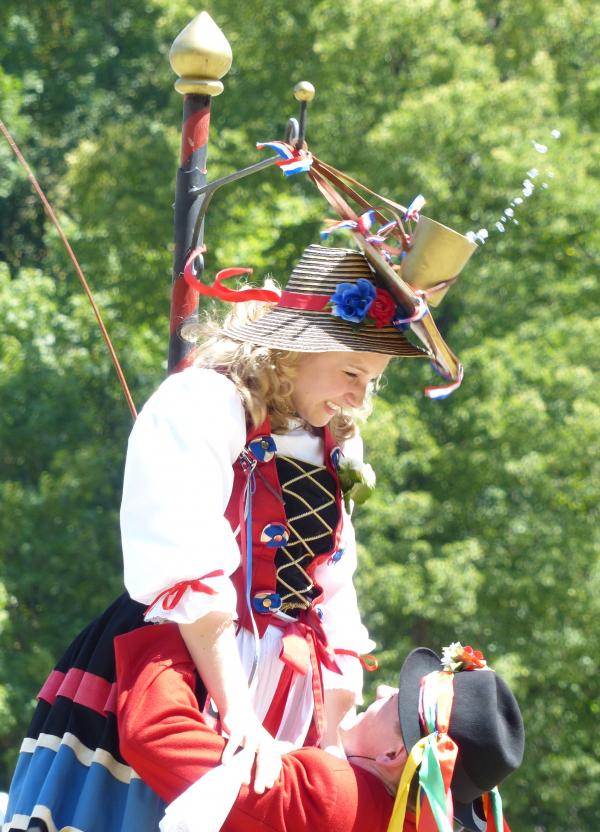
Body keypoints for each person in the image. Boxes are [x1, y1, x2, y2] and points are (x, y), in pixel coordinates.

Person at [4, 242, 443, 832]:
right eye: (351, 373)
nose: (360, 398)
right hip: (181, 665)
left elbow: (332, 593)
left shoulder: (335, 443)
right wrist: (238, 714)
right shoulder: (205, 403)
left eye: (373, 381)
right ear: (296, 349)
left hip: (282, 698)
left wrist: (329, 742)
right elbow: (185, 560)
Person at [114, 630, 525, 832]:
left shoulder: (333, 793)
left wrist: (177, 622)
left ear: (393, 755)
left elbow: (155, 733)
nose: (380, 690)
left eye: (394, 703)